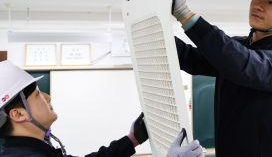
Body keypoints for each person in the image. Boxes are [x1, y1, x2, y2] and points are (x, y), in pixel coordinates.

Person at [163, 0, 272, 157]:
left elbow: (243, 64)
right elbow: (190, 58)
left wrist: (184, 14)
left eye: (271, 2)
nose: (258, 5)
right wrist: (156, 24)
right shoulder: (239, 47)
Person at [0, 60, 204, 157]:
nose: (47, 97)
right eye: (37, 94)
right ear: (17, 114)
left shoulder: (30, 150)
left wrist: (131, 140)